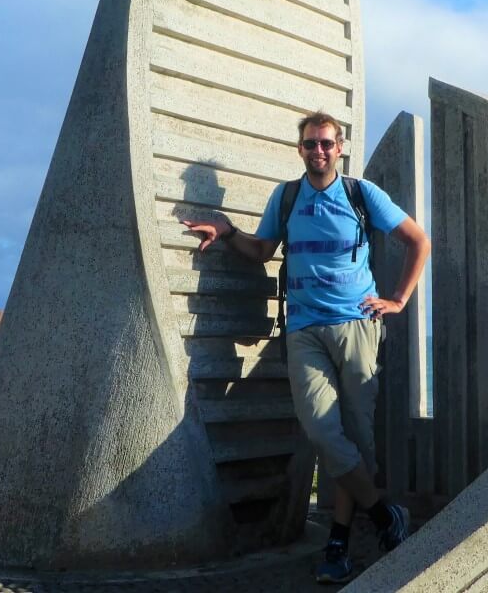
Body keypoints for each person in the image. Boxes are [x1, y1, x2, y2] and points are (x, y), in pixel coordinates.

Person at [183, 111, 431, 584]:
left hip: (358, 326)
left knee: (355, 438)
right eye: (309, 145)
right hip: (304, 329)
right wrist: (228, 233)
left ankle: (337, 543)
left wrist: (398, 299)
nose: (317, 151)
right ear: (300, 150)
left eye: (325, 144)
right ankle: (383, 515)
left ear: (340, 148)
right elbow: (262, 251)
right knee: (322, 430)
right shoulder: (288, 196)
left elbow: (418, 241)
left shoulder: (362, 195)